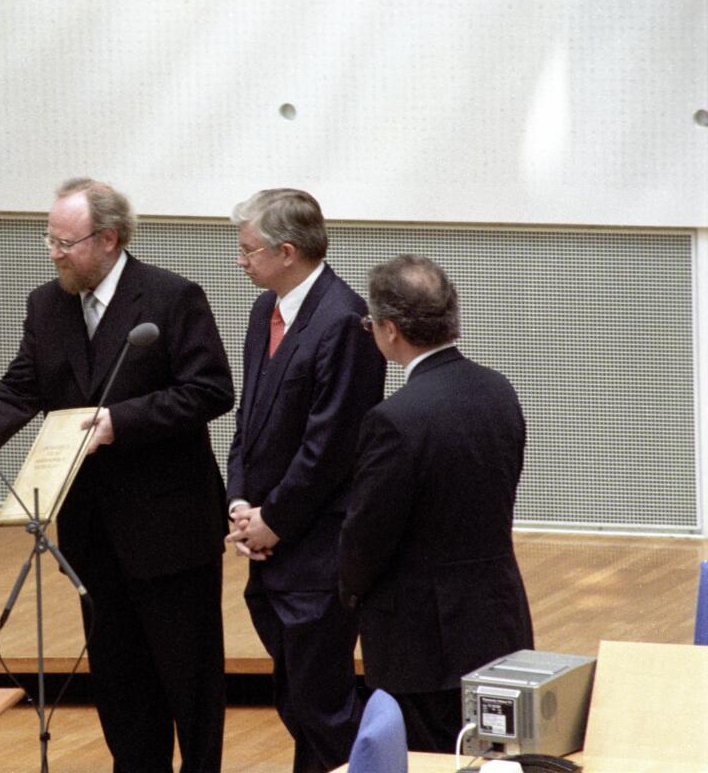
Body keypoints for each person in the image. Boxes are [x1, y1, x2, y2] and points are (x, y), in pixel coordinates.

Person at [0, 178, 234, 772]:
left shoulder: (170, 298)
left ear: (109, 239)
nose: (54, 253)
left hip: (170, 529)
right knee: (119, 679)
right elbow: (20, 388)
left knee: (188, 680)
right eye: (50, 240)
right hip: (92, 529)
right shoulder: (46, 303)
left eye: (66, 242)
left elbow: (211, 390)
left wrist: (119, 422)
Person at [339, 254, 534, 751]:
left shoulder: (393, 419)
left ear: (389, 330)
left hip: (419, 641)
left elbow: (368, 535)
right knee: (495, 759)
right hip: (497, 621)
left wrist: (348, 589)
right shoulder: (499, 390)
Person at [224, 189, 386, 773]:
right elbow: (249, 420)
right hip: (269, 543)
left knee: (325, 708)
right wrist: (240, 502)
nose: (239, 261)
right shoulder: (262, 309)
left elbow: (331, 448)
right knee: (296, 700)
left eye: (247, 251)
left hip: (316, 550)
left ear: (286, 251)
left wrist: (273, 521)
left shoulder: (343, 321)